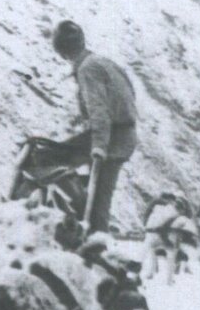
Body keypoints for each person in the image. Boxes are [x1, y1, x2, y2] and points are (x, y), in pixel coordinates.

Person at [52, 19, 138, 236]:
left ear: (62, 52)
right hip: (122, 134)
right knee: (99, 197)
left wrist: (99, 146)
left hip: (112, 137)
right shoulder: (103, 62)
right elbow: (128, 94)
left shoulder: (87, 69)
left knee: (96, 201)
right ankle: (83, 215)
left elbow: (99, 111)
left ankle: (87, 228)